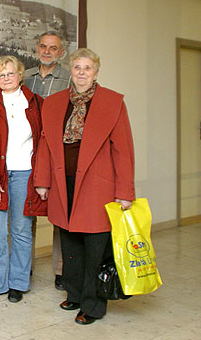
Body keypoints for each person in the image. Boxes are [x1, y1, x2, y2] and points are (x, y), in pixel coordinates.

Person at [34, 48, 135, 325]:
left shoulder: (112, 102)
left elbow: (123, 151)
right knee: (70, 243)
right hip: (62, 182)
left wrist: (125, 192)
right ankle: (76, 294)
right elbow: (44, 144)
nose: (81, 72)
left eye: (87, 68)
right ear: (71, 70)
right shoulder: (54, 103)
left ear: (96, 72)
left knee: (94, 248)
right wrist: (42, 181)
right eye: (77, 67)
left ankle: (93, 304)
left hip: (97, 186)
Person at [0, 56, 46, 303]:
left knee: (22, 231)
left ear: (21, 74)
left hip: (25, 175)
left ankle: (18, 283)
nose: (6, 79)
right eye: (1, 75)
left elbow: (44, 144)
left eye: (10, 74)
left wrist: (42, 179)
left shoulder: (36, 103)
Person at [23, 31, 71, 290]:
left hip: (56, 153)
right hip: (26, 154)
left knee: (58, 214)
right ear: (37, 48)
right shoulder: (25, 77)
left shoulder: (69, 78)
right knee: (26, 213)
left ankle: (61, 271)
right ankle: (24, 267)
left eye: (53, 48)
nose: (47, 51)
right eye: (43, 46)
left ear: (60, 52)